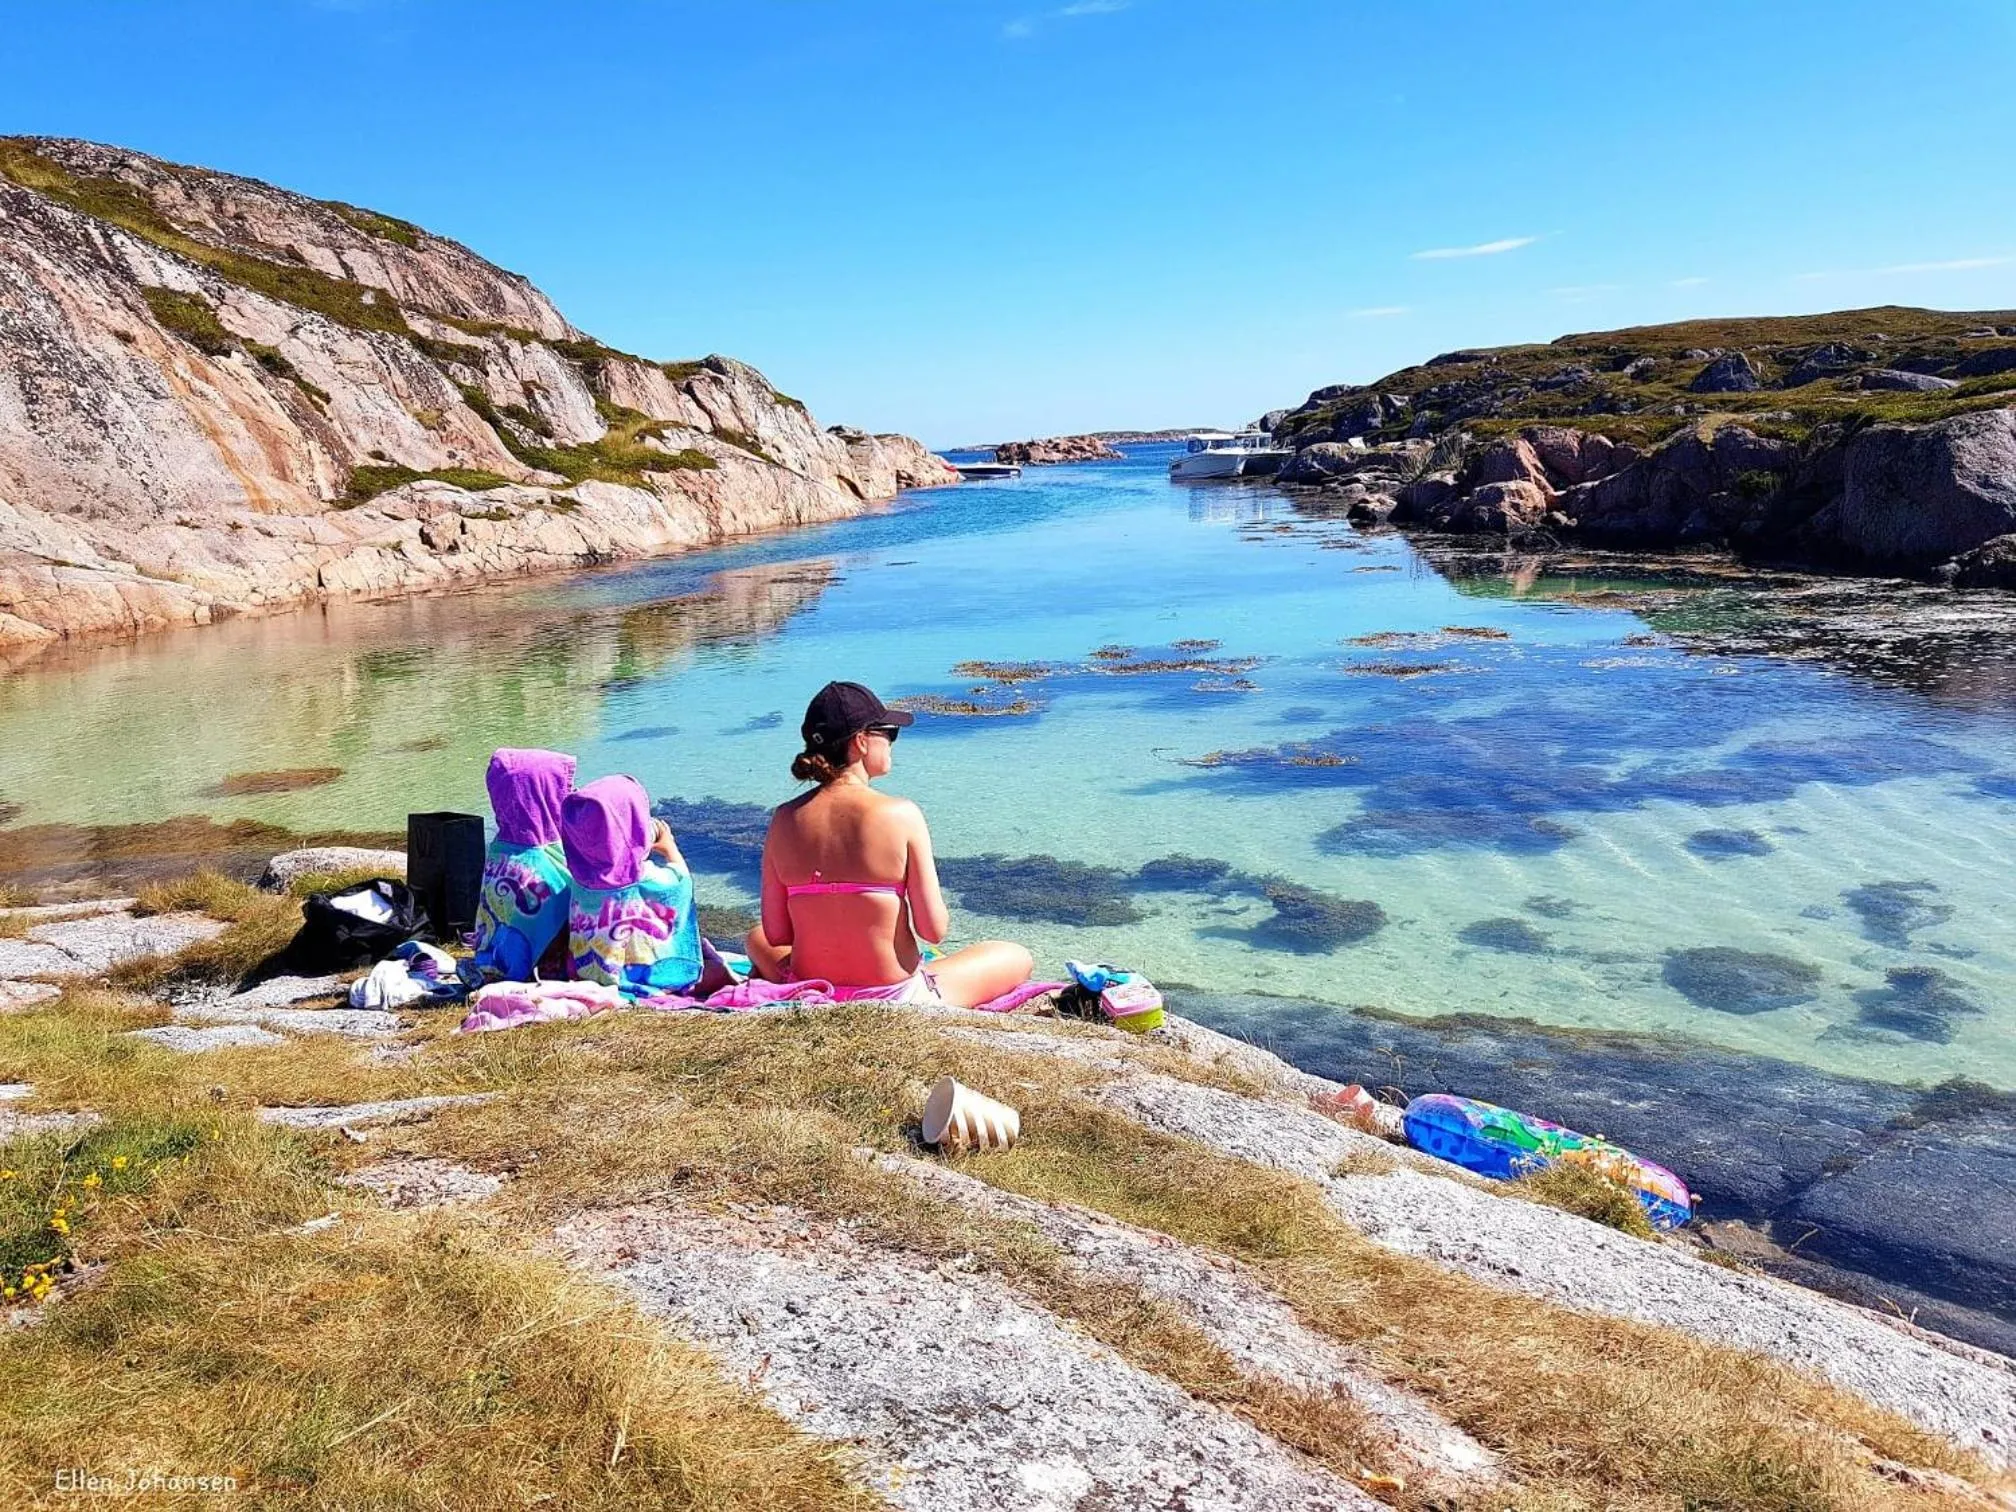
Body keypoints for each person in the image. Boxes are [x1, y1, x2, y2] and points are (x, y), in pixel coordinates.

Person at [746, 681, 1033, 1007]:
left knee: (755, 937)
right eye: (890, 733)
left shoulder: (784, 818)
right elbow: (933, 930)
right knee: (1014, 956)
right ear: (861, 742)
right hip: (896, 997)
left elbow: (777, 934)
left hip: (814, 987)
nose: (893, 743)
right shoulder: (900, 814)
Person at [560, 774, 703, 998]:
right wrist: (669, 848)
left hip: (589, 973)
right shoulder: (643, 878)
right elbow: (681, 884)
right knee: (707, 970)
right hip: (642, 976)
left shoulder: (579, 880)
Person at [470, 747, 576, 983]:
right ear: (543, 795)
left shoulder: (501, 847)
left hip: (494, 956)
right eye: (562, 790)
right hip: (538, 968)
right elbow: (564, 910)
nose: (570, 794)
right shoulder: (547, 862)